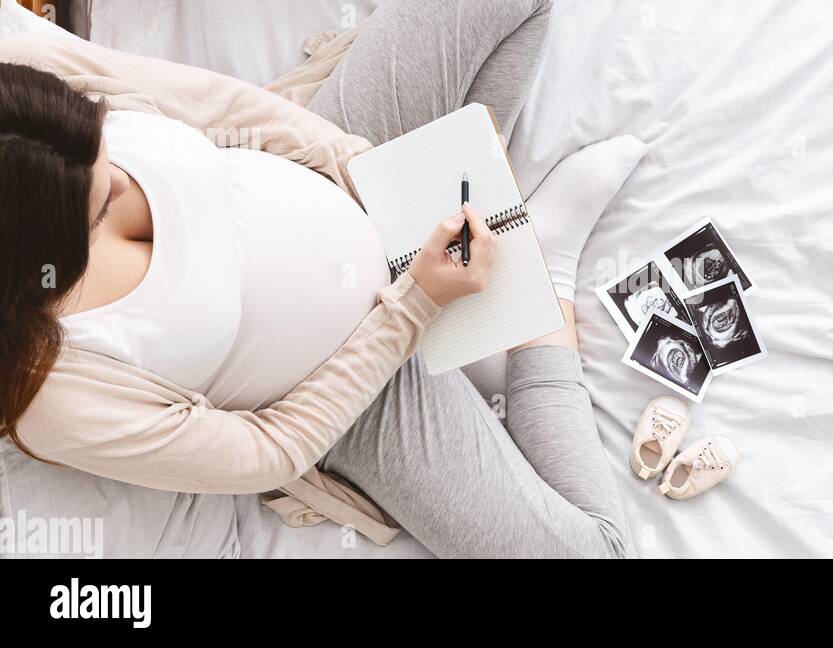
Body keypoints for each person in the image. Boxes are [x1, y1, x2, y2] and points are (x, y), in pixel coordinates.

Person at [0, 0, 648, 558]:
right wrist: (414, 306)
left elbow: (224, 108)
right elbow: (271, 451)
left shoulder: (25, 105)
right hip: (356, 393)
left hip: (345, 167)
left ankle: (494, 219)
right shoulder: (54, 397)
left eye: (106, 152)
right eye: (99, 206)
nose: (118, 179)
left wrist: (381, 175)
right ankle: (548, 280)